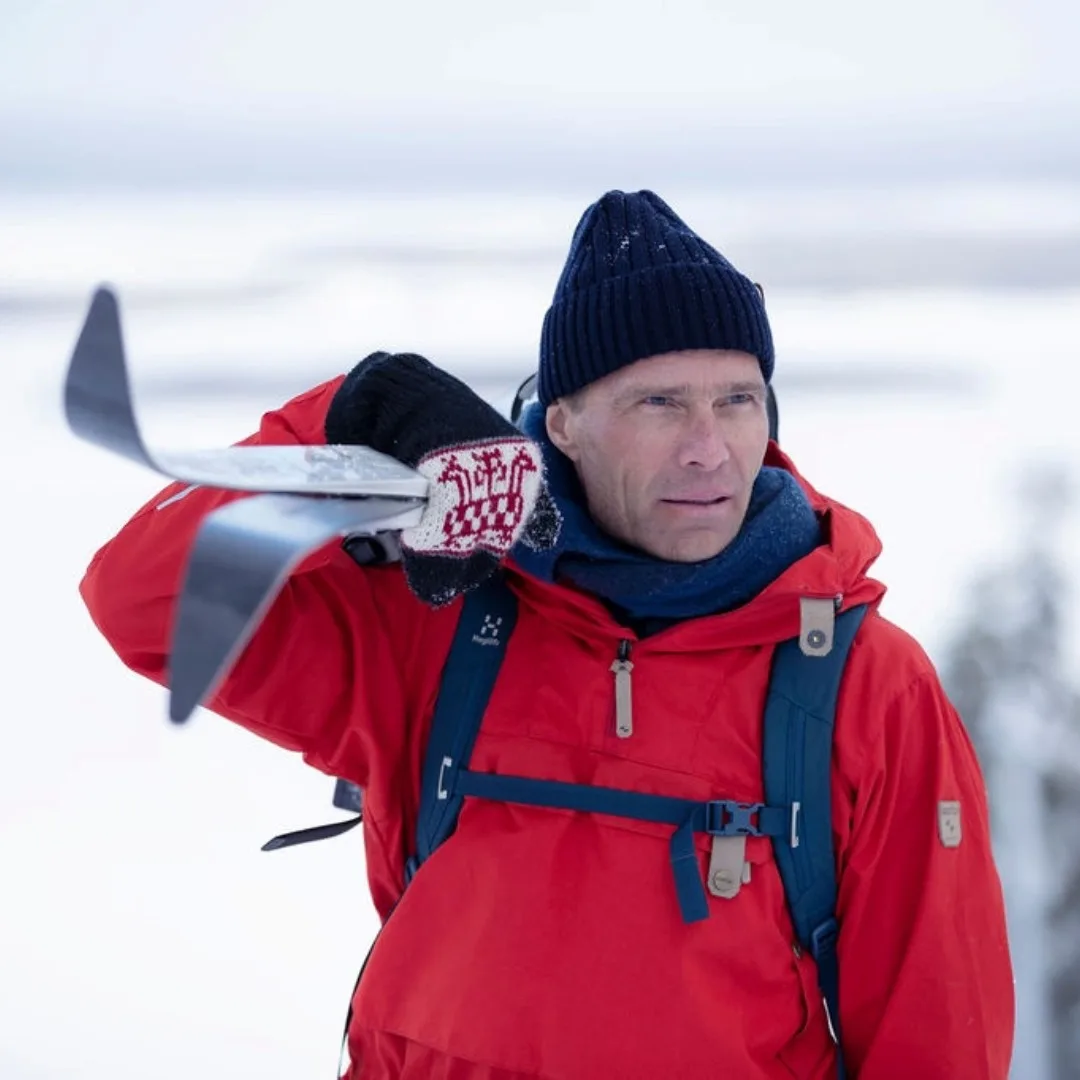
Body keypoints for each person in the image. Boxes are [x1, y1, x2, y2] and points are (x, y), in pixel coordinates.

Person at [80, 190, 1015, 1079]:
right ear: (562, 423)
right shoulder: (442, 624)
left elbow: (939, 1037)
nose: (710, 444)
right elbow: (142, 599)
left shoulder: (860, 684)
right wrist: (342, 422)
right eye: (659, 402)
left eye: (737, 398)